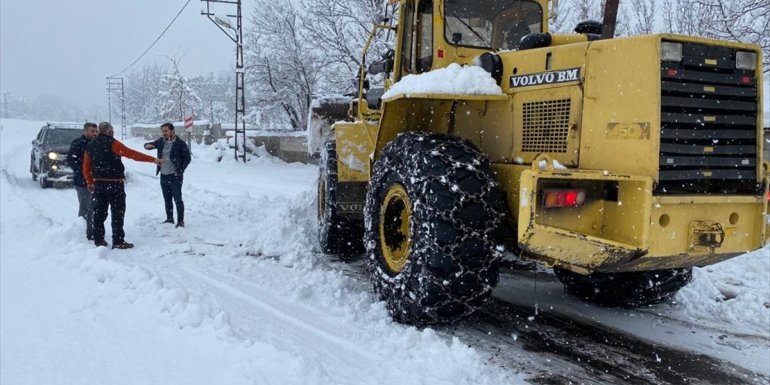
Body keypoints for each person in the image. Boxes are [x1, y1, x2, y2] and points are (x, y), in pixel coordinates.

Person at [83, 122, 163, 249]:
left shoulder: (90, 146)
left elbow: (86, 167)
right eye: (112, 129)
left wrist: (90, 182)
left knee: (99, 213)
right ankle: (118, 241)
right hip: (115, 184)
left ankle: (99, 240)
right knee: (117, 213)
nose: (113, 131)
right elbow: (131, 154)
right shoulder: (113, 143)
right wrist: (152, 159)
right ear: (109, 130)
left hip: (98, 184)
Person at [143, 122, 191, 228]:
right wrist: (147, 146)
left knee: (177, 199)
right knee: (167, 198)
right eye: (162, 131)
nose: (164, 133)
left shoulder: (180, 143)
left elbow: (187, 158)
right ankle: (169, 218)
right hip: (164, 175)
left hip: (175, 176)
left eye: (166, 131)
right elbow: (151, 145)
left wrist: (180, 169)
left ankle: (180, 221)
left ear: (172, 131)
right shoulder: (161, 141)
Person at [66, 122, 98, 241]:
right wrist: (82, 173)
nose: (95, 133)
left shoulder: (97, 143)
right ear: (85, 132)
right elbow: (71, 159)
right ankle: (83, 233)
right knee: (85, 207)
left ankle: (92, 230)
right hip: (82, 182)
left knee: (94, 207)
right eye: (92, 131)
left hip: (96, 181)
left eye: (96, 131)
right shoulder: (78, 143)